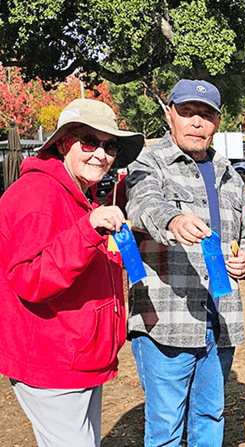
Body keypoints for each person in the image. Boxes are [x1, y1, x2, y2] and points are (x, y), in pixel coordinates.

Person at [0, 98, 143, 446]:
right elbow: (30, 279)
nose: (101, 154)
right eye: (89, 142)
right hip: (52, 360)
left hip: (78, 356)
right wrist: (88, 229)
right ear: (64, 143)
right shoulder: (37, 195)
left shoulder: (84, 196)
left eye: (110, 145)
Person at [125, 79, 245, 446]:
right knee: (165, 428)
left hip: (221, 318)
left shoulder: (231, 175)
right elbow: (143, 204)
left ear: (217, 121)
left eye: (206, 115)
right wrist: (172, 220)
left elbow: (240, 240)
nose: (197, 122)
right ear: (169, 114)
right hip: (168, 321)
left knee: (210, 416)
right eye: (187, 112)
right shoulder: (147, 163)